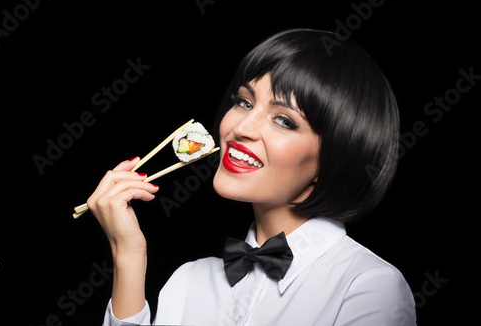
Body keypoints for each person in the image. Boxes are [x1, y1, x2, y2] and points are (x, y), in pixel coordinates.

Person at [88, 28, 416, 325]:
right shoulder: (188, 281)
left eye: (285, 121)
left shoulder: (368, 286)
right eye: (244, 102)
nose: (240, 128)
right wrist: (128, 256)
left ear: (336, 159)